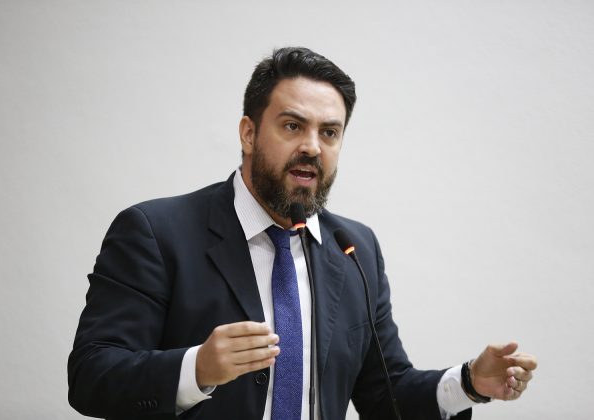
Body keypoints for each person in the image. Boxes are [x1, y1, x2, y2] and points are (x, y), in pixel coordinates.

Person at [68, 47, 537, 420]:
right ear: (248, 133)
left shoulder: (355, 249)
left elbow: (385, 393)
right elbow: (91, 376)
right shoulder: (155, 232)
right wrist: (197, 369)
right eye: (293, 126)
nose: (312, 146)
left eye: (329, 132)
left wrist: (468, 383)